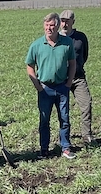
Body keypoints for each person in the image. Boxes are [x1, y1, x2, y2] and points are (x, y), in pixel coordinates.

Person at [25, 12, 77, 159]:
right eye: (46, 25)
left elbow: (73, 63)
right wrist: (38, 87)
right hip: (45, 88)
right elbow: (30, 66)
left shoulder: (67, 43)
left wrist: (68, 83)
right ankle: (44, 149)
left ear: (58, 25)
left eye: (52, 25)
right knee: (44, 120)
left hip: (62, 87)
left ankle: (66, 147)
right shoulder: (36, 45)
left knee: (65, 119)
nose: (49, 28)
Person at [59, 9, 93, 145]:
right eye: (62, 21)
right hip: (61, 79)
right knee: (63, 110)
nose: (65, 24)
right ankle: (64, 137)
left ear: (73, 21)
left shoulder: (81, 37)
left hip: (78, 78)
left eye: (67, 21)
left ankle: (87, 135)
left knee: (87, 104)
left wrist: (77, 68)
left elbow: (84, 56)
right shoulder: (57, 38)